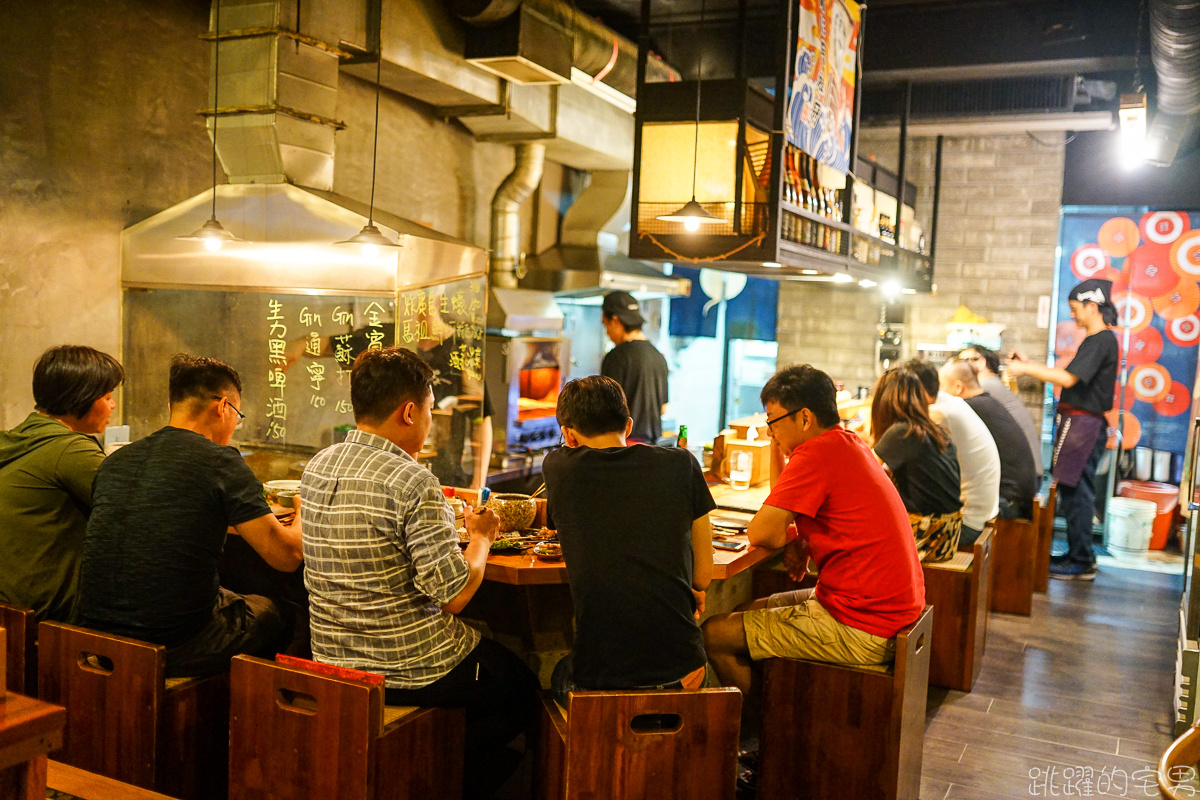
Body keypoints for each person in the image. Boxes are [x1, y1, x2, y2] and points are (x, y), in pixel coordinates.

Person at [300, 346, 538, 799]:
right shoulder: (413, 480)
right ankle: (435, 778)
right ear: (410, 411)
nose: (431, 420)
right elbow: (455, 596)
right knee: (521, 688)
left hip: (330, 659)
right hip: (408, 669)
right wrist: (482, 536)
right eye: (431, 409)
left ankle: (423, 765)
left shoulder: (318, 465)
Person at [702, 365, 924, 697]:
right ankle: (774, 720)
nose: (769, 432)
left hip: (863, 626)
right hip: (890, 612)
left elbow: (762, 534)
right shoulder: (847, 442)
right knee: (743, 613)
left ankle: (757, 735)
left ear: (804, 418)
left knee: (714, 633)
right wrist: (799, 535)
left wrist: (791, 537)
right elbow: (784, 514)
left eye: (773, 422)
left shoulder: (816, 453)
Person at [79, 355, 302, 676]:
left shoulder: (116, 461)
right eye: (237, 415)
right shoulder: (220, 461)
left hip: (94, 635)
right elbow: (286, 556)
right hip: (173, 643)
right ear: (223, 407)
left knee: (226, 593)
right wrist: (302, 513)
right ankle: (235, 719)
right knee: (277, 612)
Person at [542, 376, 714, 707]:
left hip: (603, 683)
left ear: (568, 434)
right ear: (629, 424)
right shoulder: (682, 464)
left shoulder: (559, 468)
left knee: (557, 678)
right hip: (683, 674)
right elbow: (702, 576)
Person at [0, 345, 123, 622]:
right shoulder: (70, 449)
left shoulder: (17, 439)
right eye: (107, 396)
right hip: (45, 618)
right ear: (79, 398)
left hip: (9, 610)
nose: (112, 405)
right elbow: (137, 508)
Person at [1009, 279, 1119, 581]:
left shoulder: (1101, 340)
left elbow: (1069, 379)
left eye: (1075, 309)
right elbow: (1069, 375)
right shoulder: (1097, 340)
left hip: (1084, 425)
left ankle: (1081, 560)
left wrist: (1024, 369)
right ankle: (1076, 554)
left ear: (1092, 306)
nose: (1073, 316)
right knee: (1072, 490)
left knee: (1078, 493)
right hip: (1080, 424)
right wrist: (1032, 364)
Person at [871, 367, 964, 562]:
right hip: (950, 532)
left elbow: (862, 474)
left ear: (884, 400)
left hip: (929, 534)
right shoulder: (932, 430)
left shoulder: (902, 431)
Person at [906, 359, 1000, 547]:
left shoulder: (938, 413)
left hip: (966, 523)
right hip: (984, 513)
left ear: (917, 390)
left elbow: (904, 452)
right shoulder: (950, 402)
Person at [940, 359, 1038, 520]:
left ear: (958, 387)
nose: (939, 392)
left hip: (1009, 502)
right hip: (1020, 496)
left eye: (941, 386)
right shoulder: (987, 402)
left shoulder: (967, 409)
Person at [959, 344, 1044, 479]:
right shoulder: (993, 384)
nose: (958, 368)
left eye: (962, 361)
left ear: (980, 362)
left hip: (1022, 478)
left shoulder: (985, 387)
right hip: (1028, 474)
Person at [601, 290, 669, 444]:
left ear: (615, 321)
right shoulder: (658, 356)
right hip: (651, 448)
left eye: (605, 325)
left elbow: (605, 411)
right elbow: (663, 408)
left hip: (623, 448)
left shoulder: (616, 357)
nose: (607, 333)